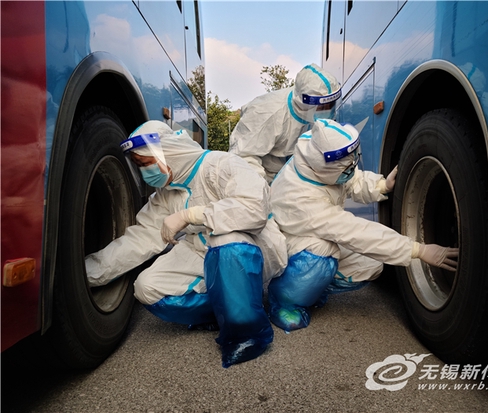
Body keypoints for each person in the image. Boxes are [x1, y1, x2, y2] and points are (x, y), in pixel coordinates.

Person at [85, 120, 288, 368]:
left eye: (146, 163)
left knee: (224, 237)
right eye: (139, 166)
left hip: (252, 247)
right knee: (147, 288)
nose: (145, 172)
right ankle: (227, 310)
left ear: (168, 152)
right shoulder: (166, 194)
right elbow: (140, 238)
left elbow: (253, 210)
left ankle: (248, 333)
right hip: (202, 249)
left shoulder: (220, 164)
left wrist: (190, 215)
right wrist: (88, 274)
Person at [268, 119, 459, 332]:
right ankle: (286, 300)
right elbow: (356, 232)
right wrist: (418, 250)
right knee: (322, 253)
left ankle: (314, 287)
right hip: (286, 242)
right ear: (324, 168)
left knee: (372, 264)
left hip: (307, 233)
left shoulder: (316, 160)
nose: (352, 167)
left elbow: (349, 179)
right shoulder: (302, 199)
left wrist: (382, 185)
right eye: (347, 166)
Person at [229, 63, 341, 183]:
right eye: (324, 106)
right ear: (305, 103)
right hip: (264, 178)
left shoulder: (311, 113)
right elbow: (243, 158)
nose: (329, 110)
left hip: (292, 180)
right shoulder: (266, 112)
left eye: (332, 104)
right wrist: (263, 189)